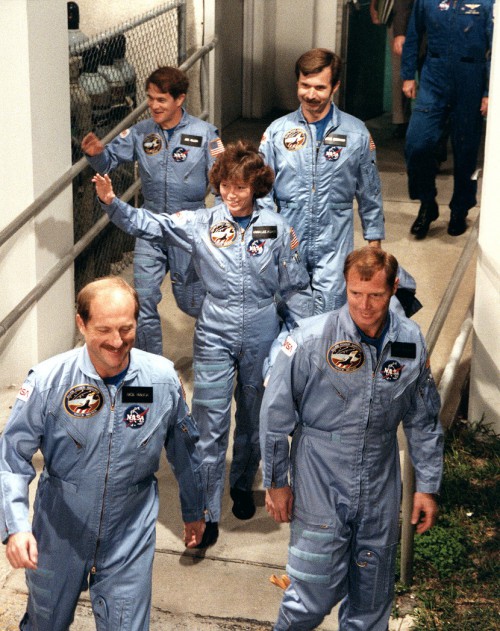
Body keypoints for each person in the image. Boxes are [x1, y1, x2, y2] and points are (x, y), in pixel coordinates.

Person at [93, 140, 313, 548]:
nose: (232, 194)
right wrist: (112, 203)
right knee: (209, 423)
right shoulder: (200, 223)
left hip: (263, 332)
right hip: (214, 330)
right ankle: (208, 512)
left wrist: (303, 340)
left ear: (257, 188)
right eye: (226, 185)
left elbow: (297, 289)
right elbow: (151, 225)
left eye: (241, 187)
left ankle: (243, 484)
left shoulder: (279, 228)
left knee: (253, 415)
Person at [0, 277, 205, 631]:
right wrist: (15, 526)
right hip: (59, 528)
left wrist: (194, 509)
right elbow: (11, 458)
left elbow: (185, 449)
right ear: (81, 323)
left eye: (126, 328)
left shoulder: (161, 380)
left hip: (130, 529)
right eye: (104, 329)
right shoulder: (49, 382)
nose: (116, 341)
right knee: (44, 623)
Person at [260, 246, 443, 630]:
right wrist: (276, 482)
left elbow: (423, 419)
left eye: (376, 295)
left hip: (380, 477)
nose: (365, 305)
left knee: (372, 597)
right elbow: (275, 418)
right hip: (319, 476)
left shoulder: (410, 342)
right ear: (345, 286)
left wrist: (426, 485)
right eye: (355, 293)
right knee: (312, 593)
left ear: (394, 289)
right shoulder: (309, 341)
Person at [82, 66, 223, 354]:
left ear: (179, 99)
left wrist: (218, 225)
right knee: (142, 300)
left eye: (161, 100)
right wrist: (96, 154)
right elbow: (109, 161)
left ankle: (215, 351)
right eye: (150, 98)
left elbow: (224, 182)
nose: (154, 106)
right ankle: (153, 367)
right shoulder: (140, 132)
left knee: (191, 301)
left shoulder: (206, 134)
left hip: (190, 225)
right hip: (149, 223)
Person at [258, 48, 385, 315]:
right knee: (286, 309)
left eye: (319, 87)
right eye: (305, 86)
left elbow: (369, 190)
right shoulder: (277, 132)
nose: (311, 94)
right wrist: (268, 236)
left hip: (334, 237)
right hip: (288, 236)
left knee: (330, 310)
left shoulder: (356, 133)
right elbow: (262, 190)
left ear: (335, 86)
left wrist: (374, 241)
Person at [401, 0, 493, 238]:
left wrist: (489, 91)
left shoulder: (488, 2)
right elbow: (413, 34)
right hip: (434, 75)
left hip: (471, 77)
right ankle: (427, 203)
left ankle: (460, 209)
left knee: (466, 150)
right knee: (417, 143)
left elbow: (497, 47)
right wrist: (408, 74)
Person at [369, 0, 411, 138]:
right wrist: (374, 6)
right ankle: (401, 121)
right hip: (398, 14)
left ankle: (429, 122)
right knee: (398, 70)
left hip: (431, 13)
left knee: (429, 70)